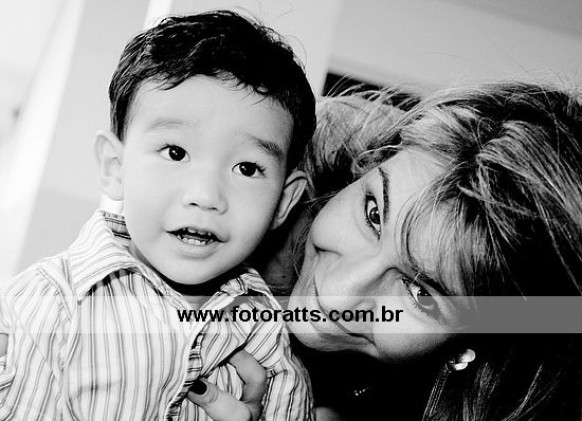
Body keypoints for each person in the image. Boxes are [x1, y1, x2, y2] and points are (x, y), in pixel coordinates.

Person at [195, 81, 582, 421]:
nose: (338, 295)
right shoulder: (263, 180)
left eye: (421, 294)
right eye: (373, 215)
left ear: (471, 346)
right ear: (367, 167)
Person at [0, 11, 315, 420]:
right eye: (176, 152)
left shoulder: (267, 332)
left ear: (284, 203)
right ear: (116, 168)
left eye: (247, 168)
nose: (205, 196)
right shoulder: (49, 303)